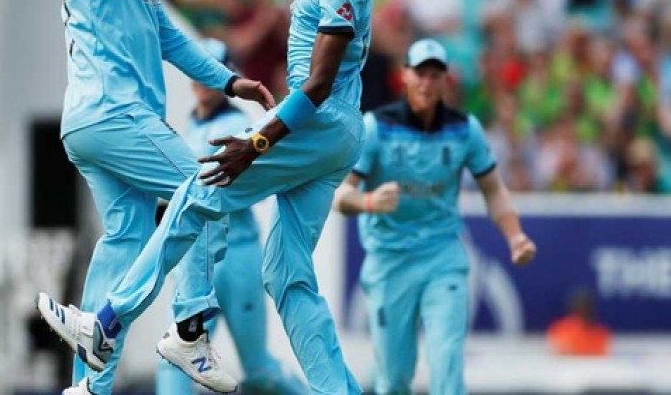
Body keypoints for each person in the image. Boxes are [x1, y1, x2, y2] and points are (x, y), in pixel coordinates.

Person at [37, 0, 375, 395]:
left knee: (191, 201)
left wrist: (254, 132)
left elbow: (315, 84)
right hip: (117, 115)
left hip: (316, 122)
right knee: (271, 261)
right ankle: (156, 345)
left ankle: (127, 330)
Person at [37, 0, 275, 395]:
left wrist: (228, 81)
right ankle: (191, 329)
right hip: (114, 115)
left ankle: (86, 385)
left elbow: (170, 39)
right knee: (202, 187)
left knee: (122, 241)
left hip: (98, 123)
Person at [332, 38, 538, 395]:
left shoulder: (464, 128)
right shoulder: (376, 127)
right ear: (405, 77)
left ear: (446, 80)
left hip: (442, 256)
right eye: (420, 74)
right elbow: (340, 196)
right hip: (389, 260)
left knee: (446, 362)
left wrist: (515, 235)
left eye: (435, 75)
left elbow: (494, 190)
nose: (427, 83)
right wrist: (369, 202)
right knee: (394, 378)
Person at [154, 38, 307, 395]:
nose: (203, 82)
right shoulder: (191, 125)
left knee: (258, 372)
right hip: (198, 262)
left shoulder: (238, 126)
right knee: (174, 362)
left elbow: (218, 190)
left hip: (237, 255)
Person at [546, 287, 611, 357]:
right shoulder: (559, 329)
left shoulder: (601, 333)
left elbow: (601, 355)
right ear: (573, 308)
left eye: (587, 307)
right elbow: (557, 352)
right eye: (580, 307)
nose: (584, 311)